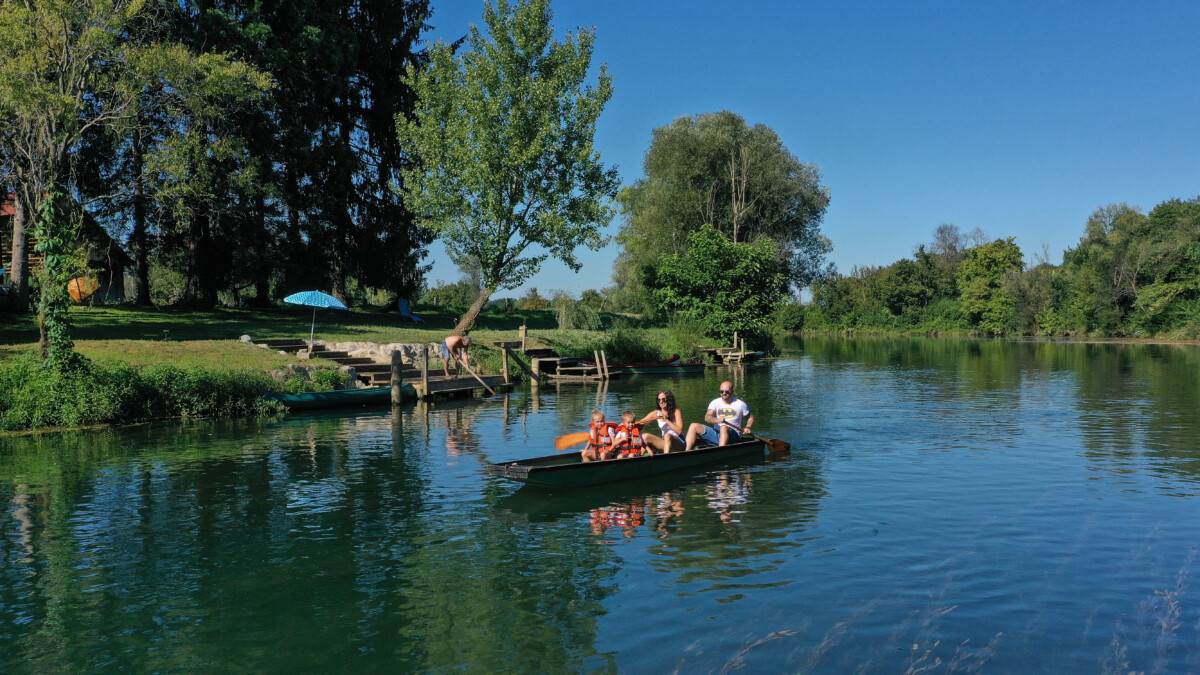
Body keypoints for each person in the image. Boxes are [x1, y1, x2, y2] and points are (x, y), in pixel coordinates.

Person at [684, 380, 754, 451]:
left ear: (732, 391)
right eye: (721, 391)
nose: (724, 393)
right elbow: (707, 418)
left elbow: (750, 418)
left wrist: (748, 427)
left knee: (723, 427)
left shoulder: (740, 404)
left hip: (734, 436)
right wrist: (717, 420)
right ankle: (686, 452)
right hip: (717, 433)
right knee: (693, 426)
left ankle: (720, 452)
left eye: (727, 391)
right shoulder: (715, 402)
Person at [639, 390, 685, 454]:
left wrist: (666, 420)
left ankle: (665, 459)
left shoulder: (676, 411)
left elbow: (680, 431)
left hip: (679, 444)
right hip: (666, 443)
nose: (661, 402)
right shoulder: (656, 413)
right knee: (644, 436)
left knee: (667, 435)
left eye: (663, 399)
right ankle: (637, 458)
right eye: (659, 400)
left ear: (669, 400)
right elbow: (640, 423)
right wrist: (627, 424)